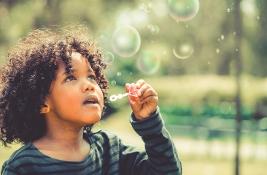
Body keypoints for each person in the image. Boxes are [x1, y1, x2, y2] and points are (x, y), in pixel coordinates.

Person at [0, 26, 182, 175]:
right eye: (70, 78)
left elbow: (168, 172)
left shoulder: (111, 150)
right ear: (42, 102)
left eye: (92, 77)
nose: (89, 85)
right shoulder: (23, 167)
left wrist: (149, 122)